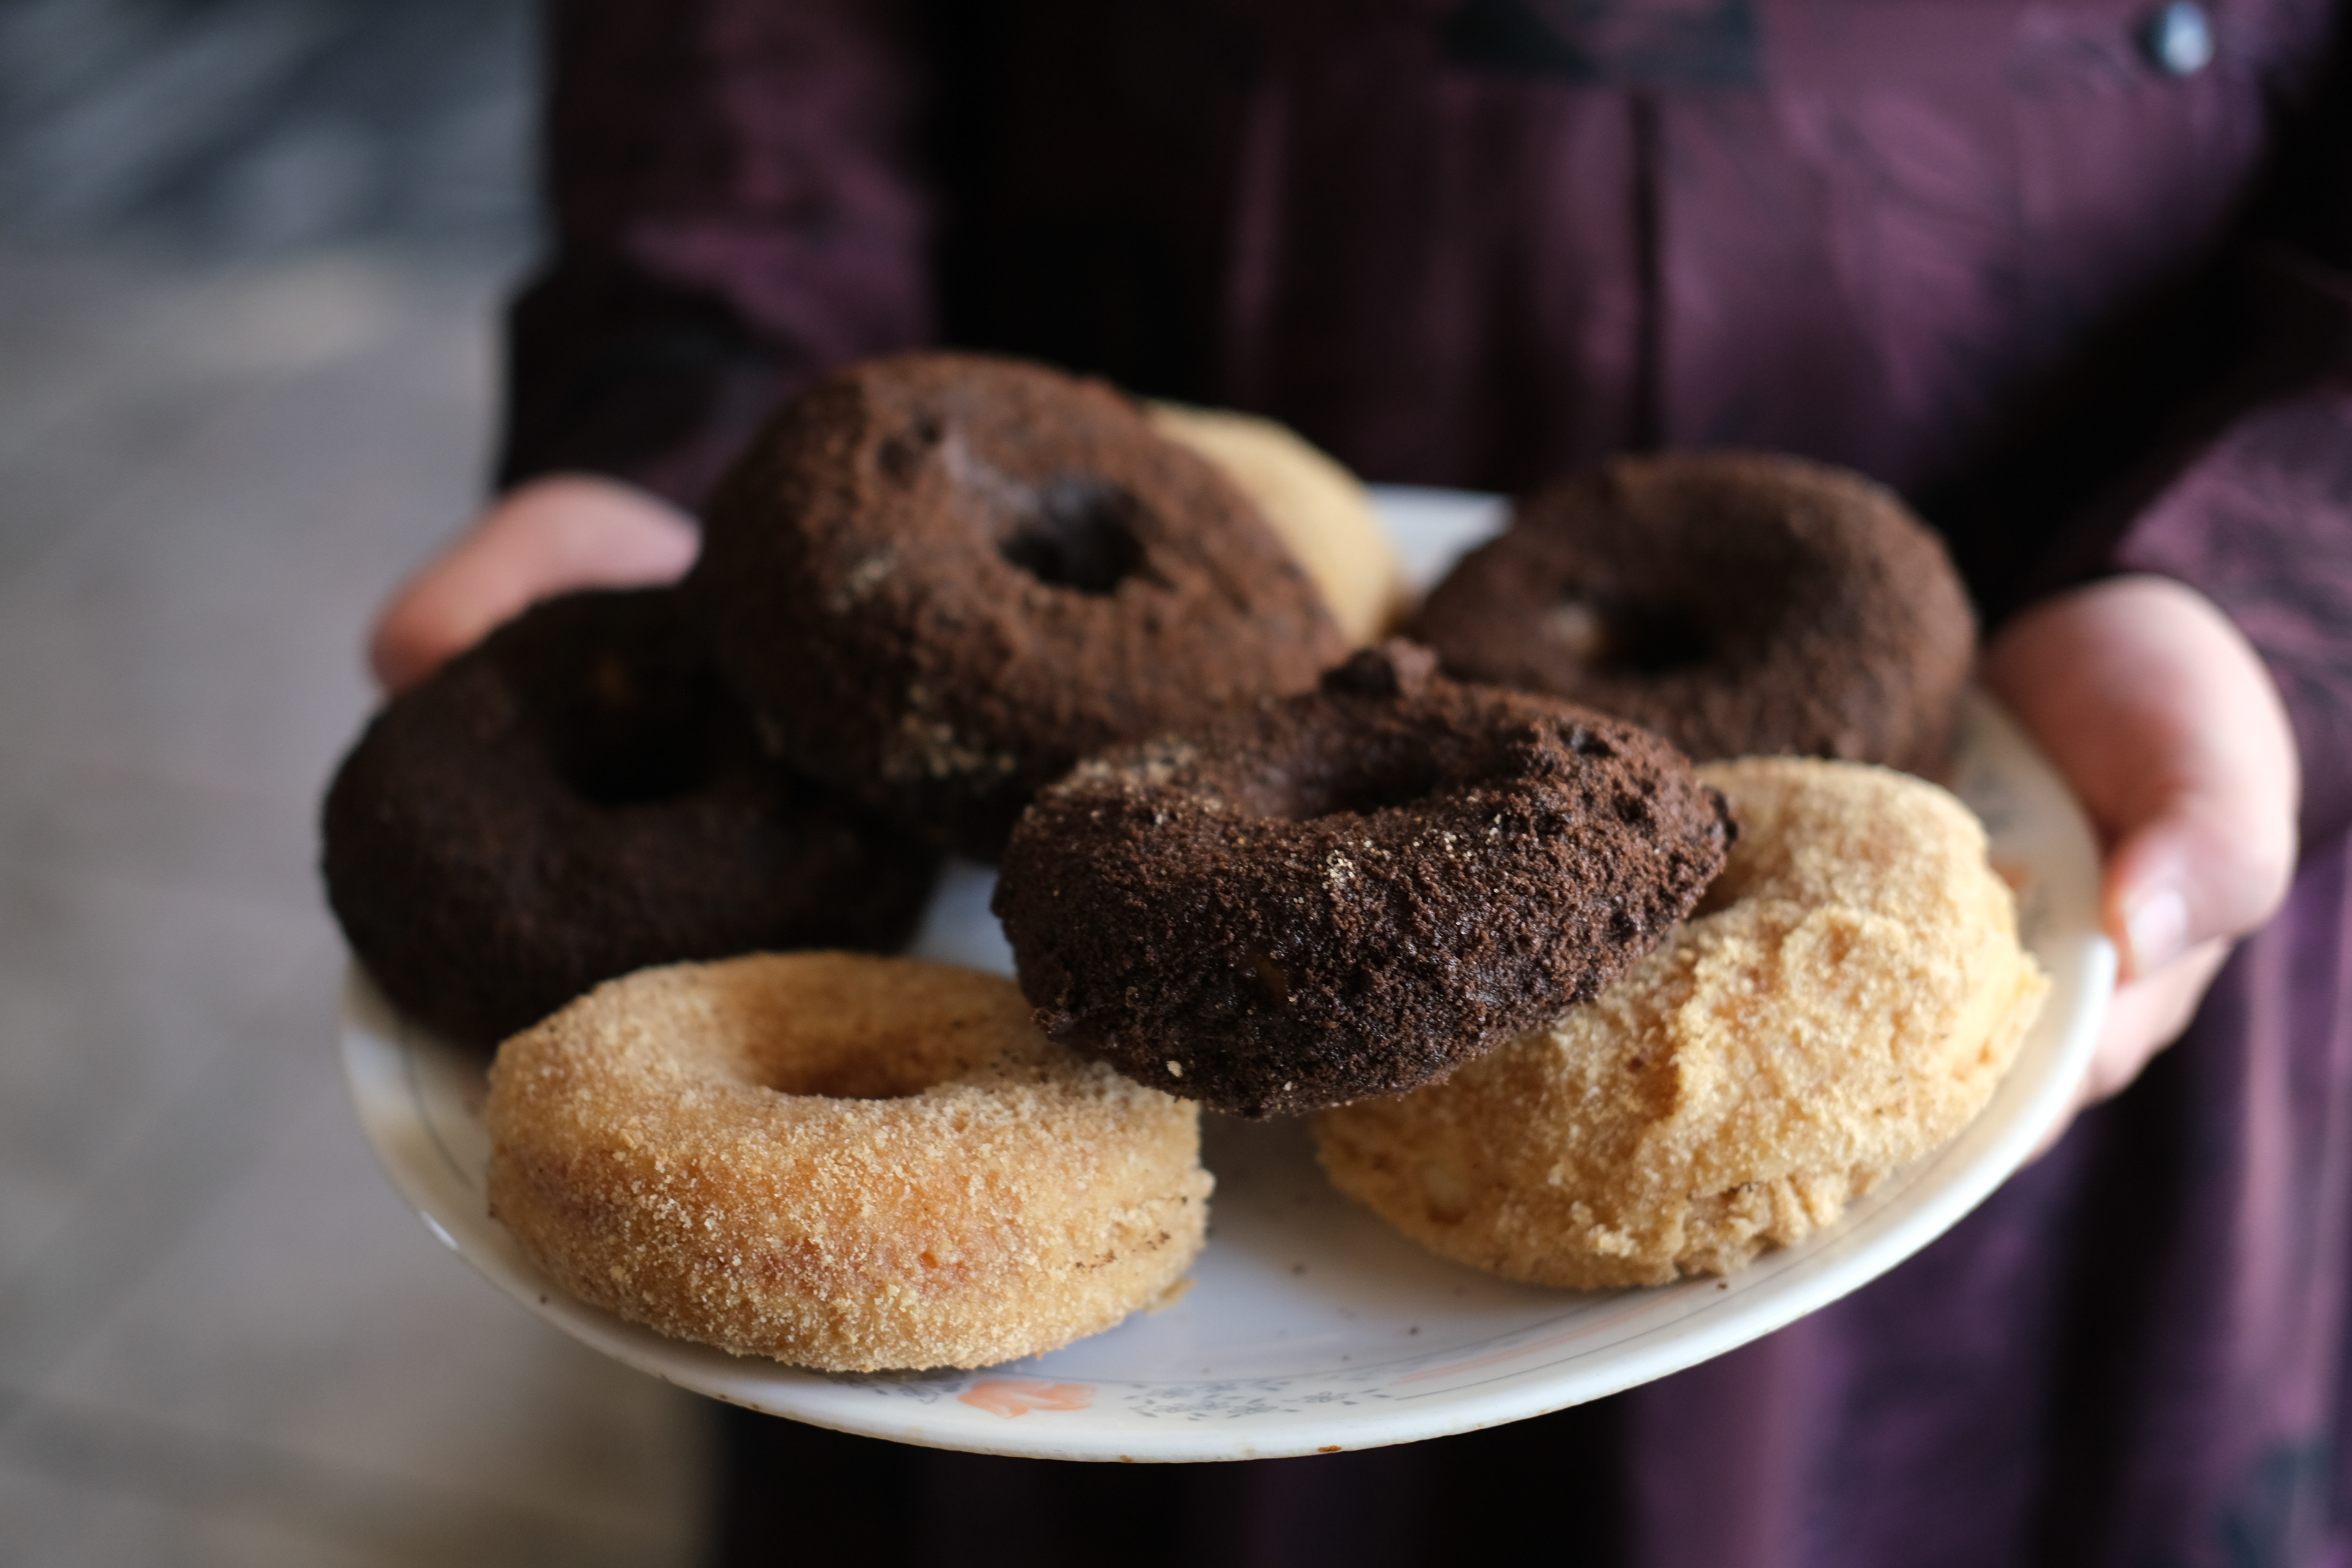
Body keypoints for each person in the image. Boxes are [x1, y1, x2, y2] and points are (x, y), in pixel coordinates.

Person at [369, 2, 2351, 1561]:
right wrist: (689, 404)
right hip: (1132, 321)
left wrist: (2261, 583)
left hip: (2049, 525)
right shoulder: (1207, 717)